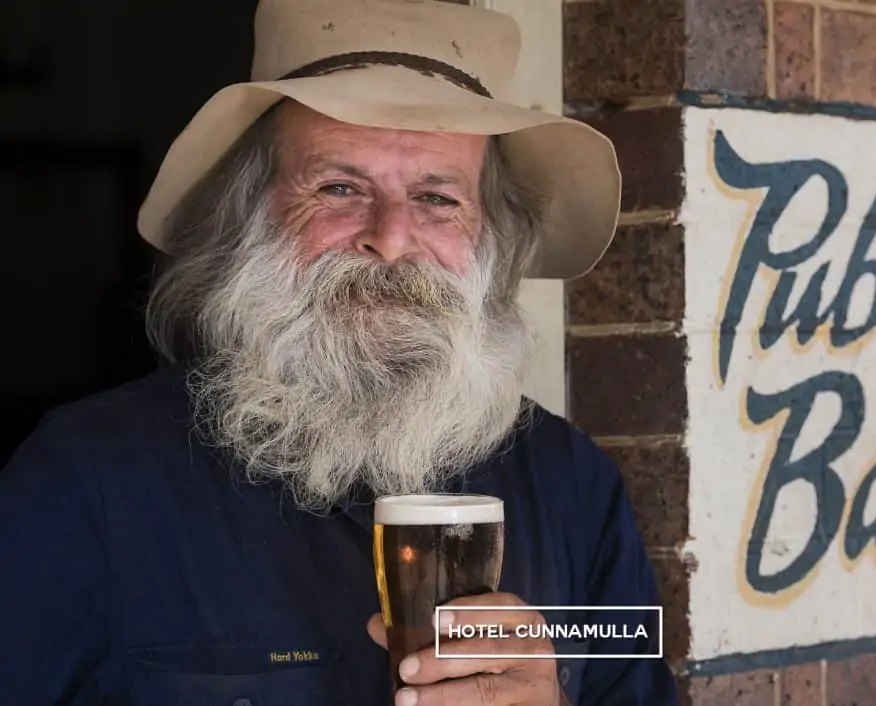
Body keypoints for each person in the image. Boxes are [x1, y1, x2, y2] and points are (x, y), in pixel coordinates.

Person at [0, 1, 678, 705]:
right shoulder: (85, 484)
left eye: (437, 198)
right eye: (339, 187)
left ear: (491, 240)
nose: (390, 238)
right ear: (249, 217)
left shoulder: (575, 486)